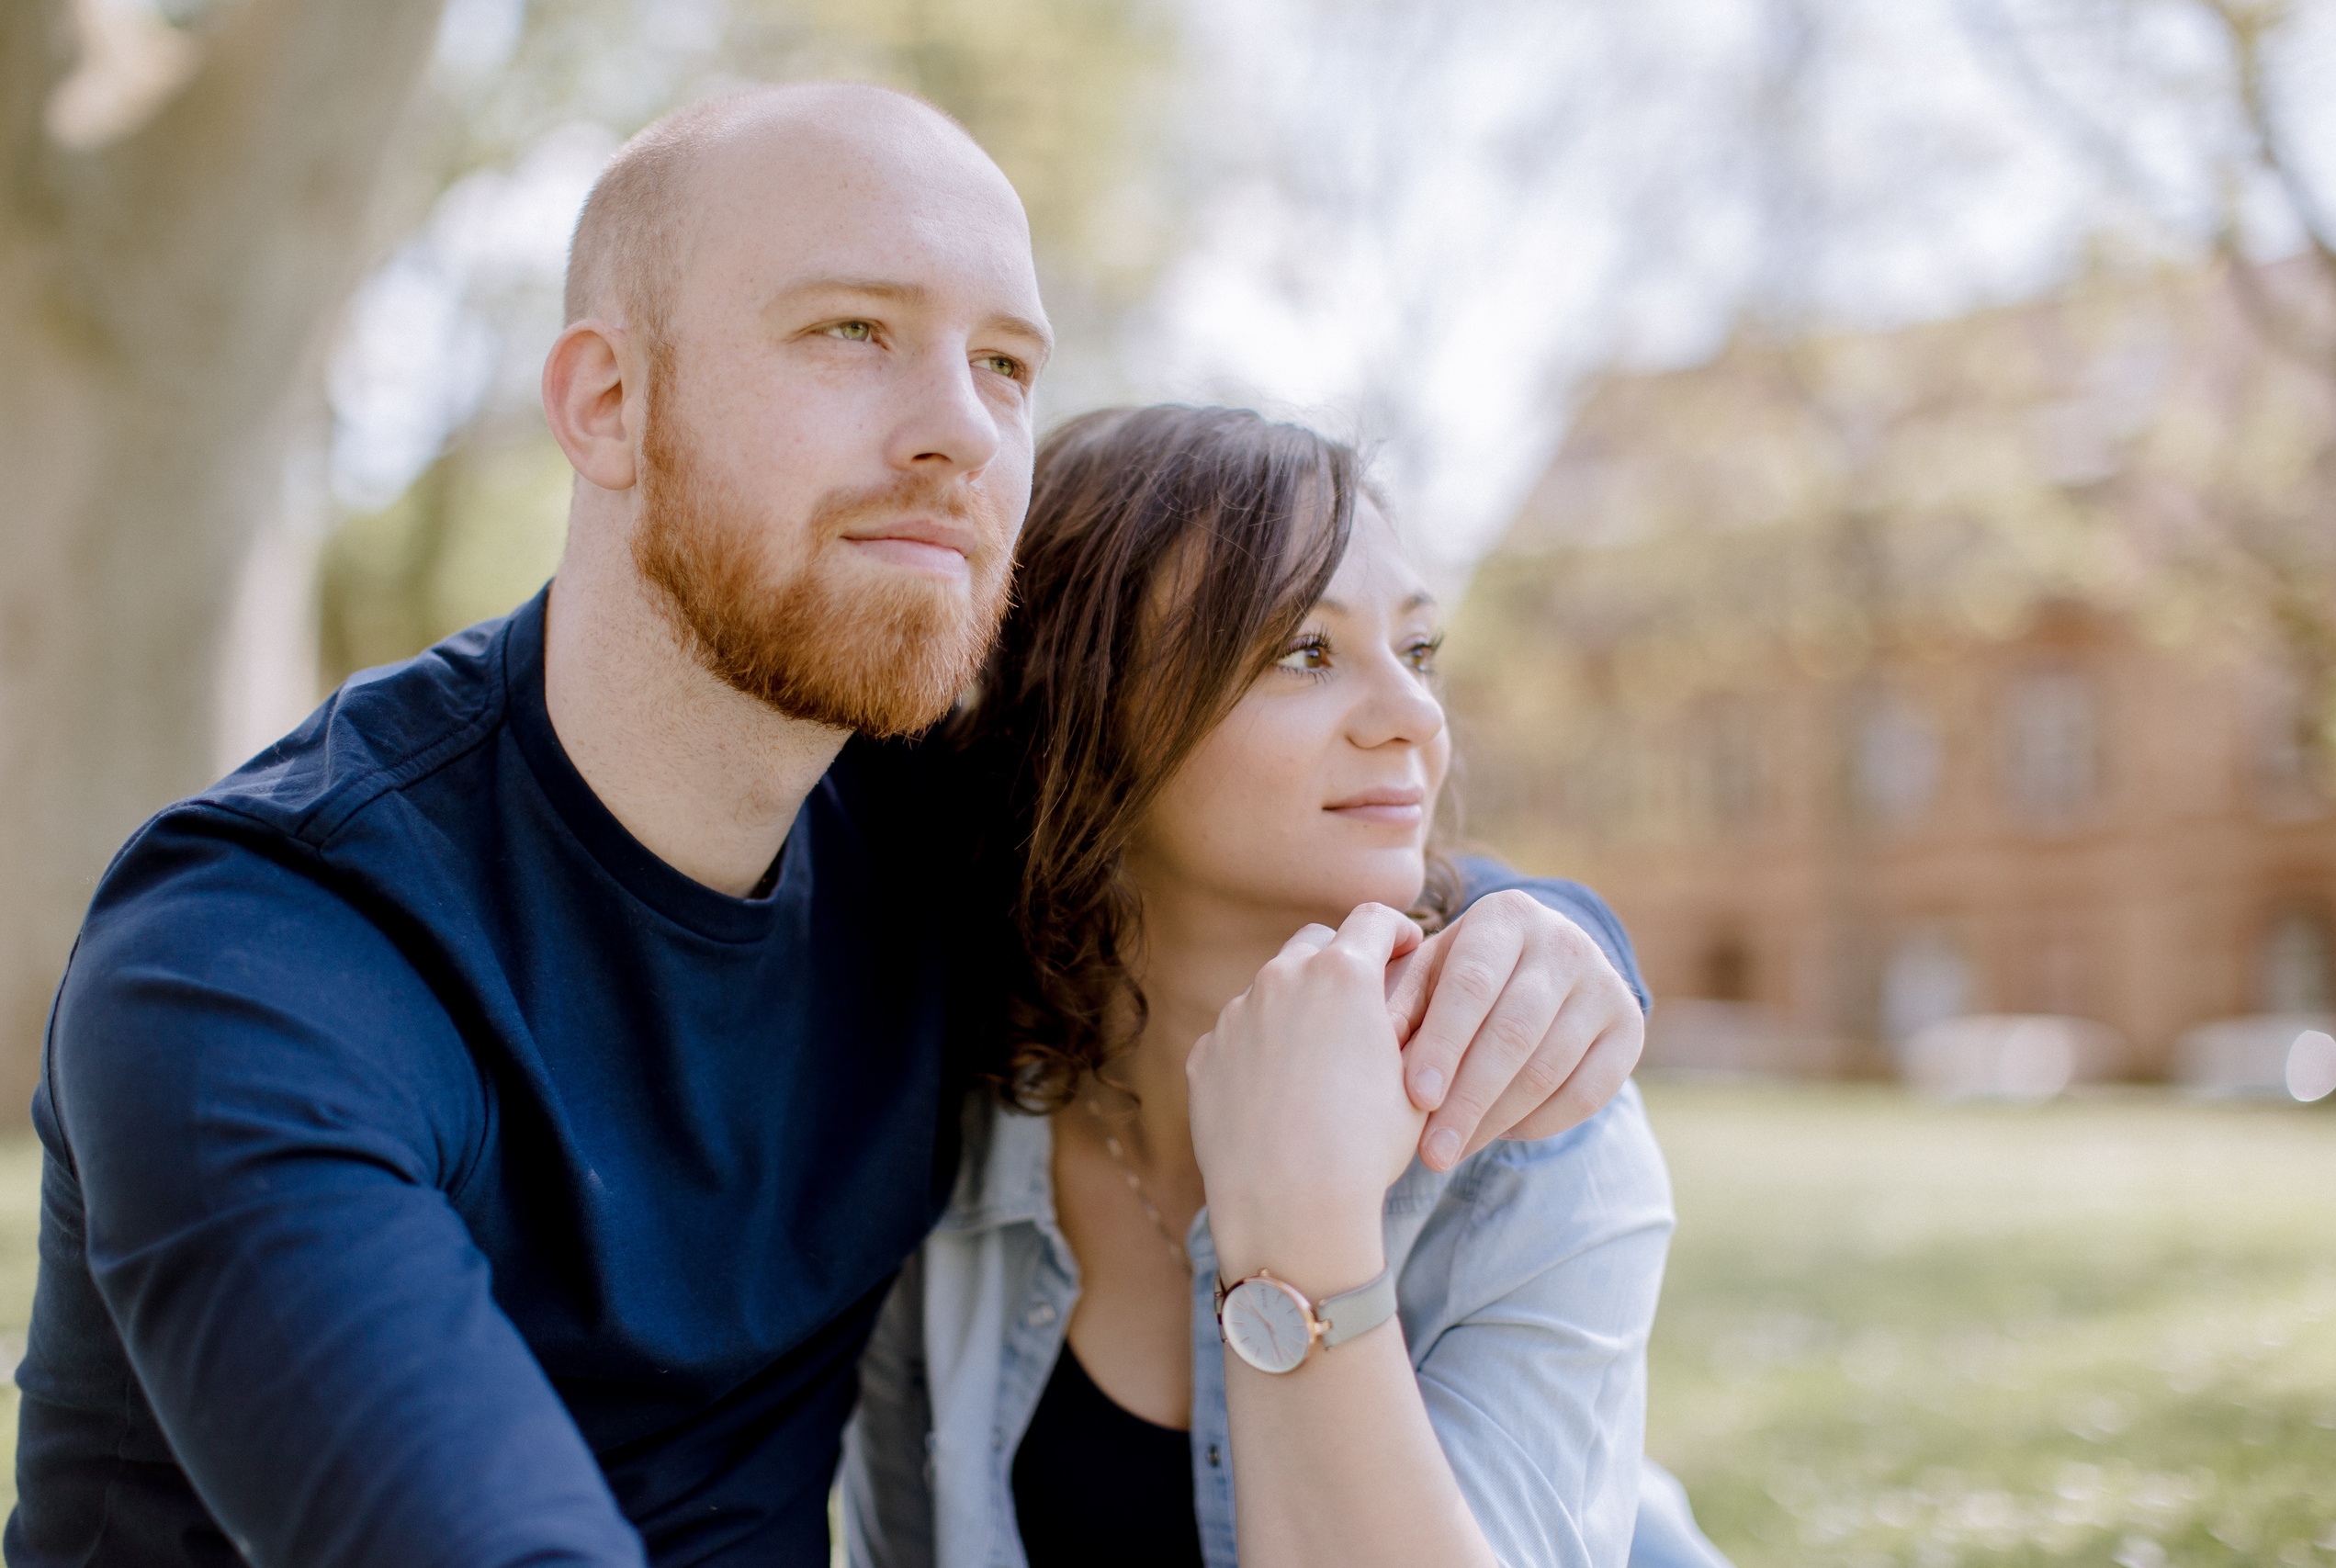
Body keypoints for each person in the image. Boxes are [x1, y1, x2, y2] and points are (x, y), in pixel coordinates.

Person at [9, 87, 1651, 1568]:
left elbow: (1237, 812)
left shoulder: (909, 829)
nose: (960, 431)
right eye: (853, 330)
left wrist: (1552, 936)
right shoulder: (257, 961)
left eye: (1007, 364)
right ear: (605, 404)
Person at [841, 406, 1733, 1568]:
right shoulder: (947, 1108)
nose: (1414, 714)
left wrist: (1297, 1237)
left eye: (1417, 651)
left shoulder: (1525, 1121)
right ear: (1081, 708)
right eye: (1303, 651)